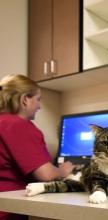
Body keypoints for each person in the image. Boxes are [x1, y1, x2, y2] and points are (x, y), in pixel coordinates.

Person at [0, 74, 75, 220]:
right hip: (7, 210)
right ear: (25, 99)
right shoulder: (17, 125)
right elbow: (46, 175)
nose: (40, 106)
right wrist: (63, 170)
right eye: (38, 99)